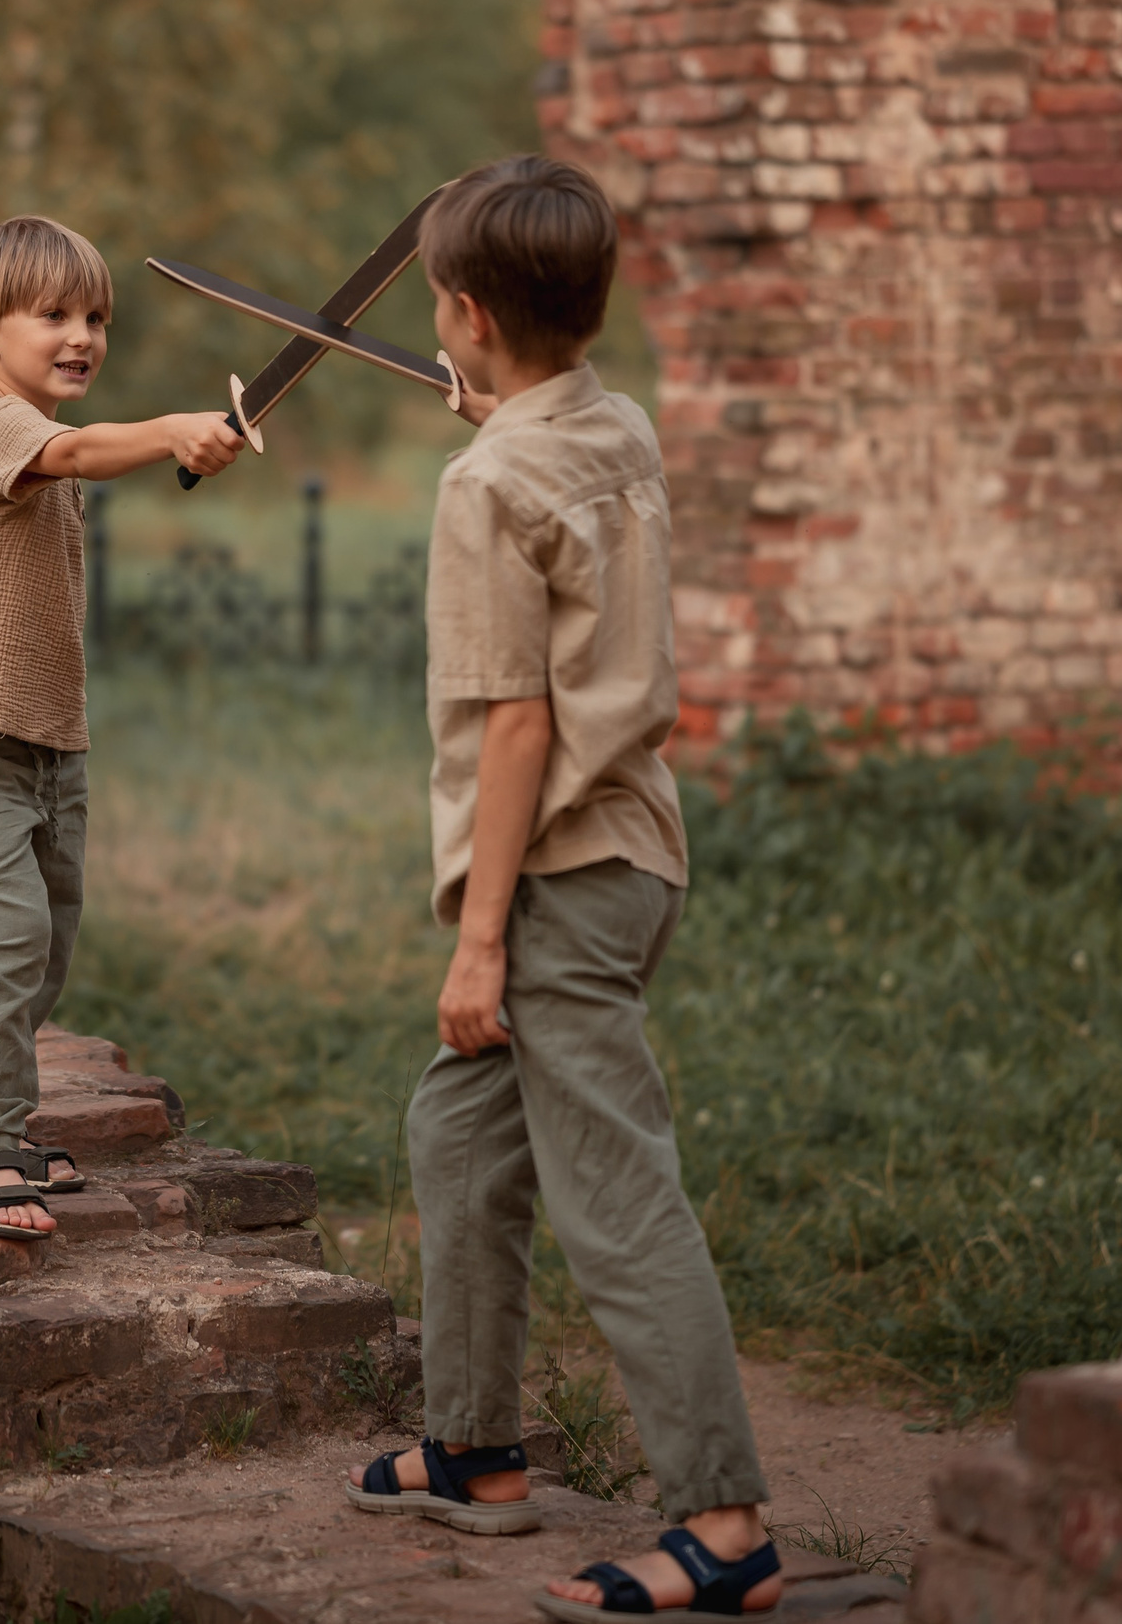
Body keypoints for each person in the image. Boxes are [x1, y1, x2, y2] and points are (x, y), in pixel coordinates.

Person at [337, 157, 783, 1618]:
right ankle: (475, 1449)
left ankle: (722, 1527)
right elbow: (560, 454)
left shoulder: (487, 486)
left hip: (560, 880)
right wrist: (503, 408)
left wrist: (479, 948)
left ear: (460, 314)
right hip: (634, 857)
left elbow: (519, 721)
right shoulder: (612, 425)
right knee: (459, 1132)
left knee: (613, 1194)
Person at [0, 215, 245, 1241]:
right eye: (52, 314)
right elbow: (84, 449)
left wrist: (190, 444)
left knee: (43, 943)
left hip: (48, 736)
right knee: (6, 934)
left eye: (95, 315)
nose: (81, 334)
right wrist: (171, 429)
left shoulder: (39, 451)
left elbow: (79, 458)